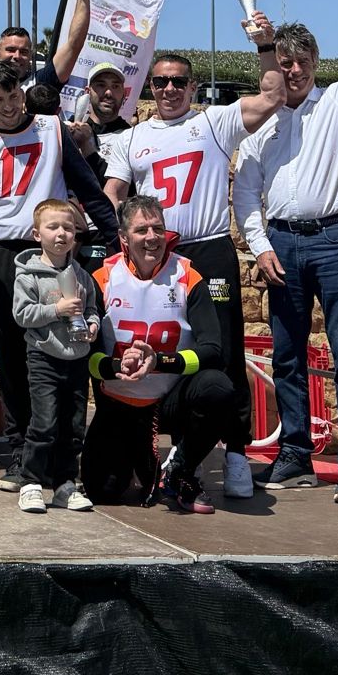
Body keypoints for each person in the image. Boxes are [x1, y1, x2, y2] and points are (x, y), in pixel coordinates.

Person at [103, 28, 283, 499]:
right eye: (161, 81)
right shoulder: (132, 137)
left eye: (179, 81)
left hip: (207, 247)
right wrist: (109, 240)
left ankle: (237, 451)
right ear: (150, 87)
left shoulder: (214, 122)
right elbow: (113, 193)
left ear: (193, 86)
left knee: (224, 350)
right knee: (151, 341)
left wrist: (265, 46)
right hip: (155, 253)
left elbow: (273, 95)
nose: (169, 89)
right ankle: (174, 451)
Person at [232, 0, 338, 503]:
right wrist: (259, 245)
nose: (294, 70)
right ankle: (294, 454)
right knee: (288, 356)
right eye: (285, 62)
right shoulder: (260, 123)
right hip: (281, 244)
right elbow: (245, 190)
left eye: (301, 61)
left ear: (316, 63)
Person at [0, 59, 120, 491]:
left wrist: (116, 240)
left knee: (62, 350)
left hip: (51, 253)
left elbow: (87, 188)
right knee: (10, 355)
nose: (8, 107)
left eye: (13, 97)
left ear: (22, 94)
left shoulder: (52, 130)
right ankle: (22, 453)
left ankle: (62, 454)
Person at [85, 194, 238, 515]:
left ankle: (181, 468)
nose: (152, 237)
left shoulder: (187, 274)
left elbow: (213, 350)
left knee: (217, 387)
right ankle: (139, 461)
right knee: (103, 490)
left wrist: (161, 361)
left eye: (158, 228)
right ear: (123, 238)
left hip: (169, 401)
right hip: (119, 401)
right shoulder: (102, 276)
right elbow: (88, 357)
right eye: (141, 230)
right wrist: (116, 366)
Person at [11, 198, 114, 513]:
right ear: (36, 234)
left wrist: (93, 326)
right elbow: (22, 314)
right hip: (44, 357)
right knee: (44, 423)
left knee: (73, 427)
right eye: (53, 227)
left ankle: (65, 484)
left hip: (77, 359)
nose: (61, 234)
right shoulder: (28, 275)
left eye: (68, 228)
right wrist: (56, 309)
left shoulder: (81, 275)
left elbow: (93, 310)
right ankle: (30, 482)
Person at [65, 62, 134, 178]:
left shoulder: (131, 139)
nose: (108, 93)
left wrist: (86, 146)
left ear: (124, 94)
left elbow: (122, 186)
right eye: (101, 85)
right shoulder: (66, 131)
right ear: (88, 92)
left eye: (115, 86)